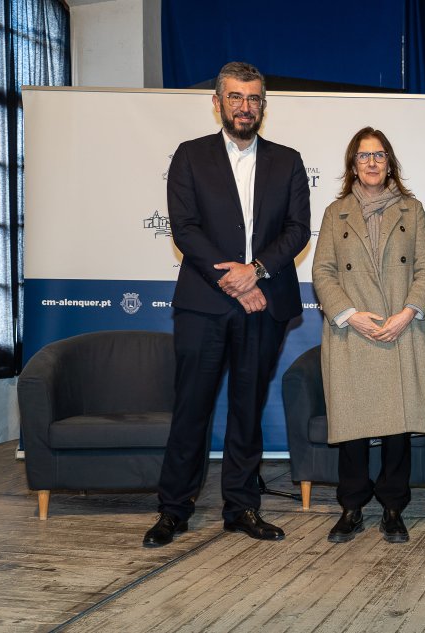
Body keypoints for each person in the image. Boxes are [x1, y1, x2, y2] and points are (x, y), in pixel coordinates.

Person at [143, 62, 311, 547]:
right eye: (235, 97)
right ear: (217, 103)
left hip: (265, 303)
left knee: (247, 408)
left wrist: (255, 270)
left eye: (253, 98)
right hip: (204, 304)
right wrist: (234, 281)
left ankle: (241, 507)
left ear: (263, 106)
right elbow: (185, 229)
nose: (244, 106)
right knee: (191, 408)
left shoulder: (288, 161)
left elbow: (297, 229)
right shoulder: (190, 156)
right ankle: (174, 509)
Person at [311, 127, 425, 544]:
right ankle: (351, 507)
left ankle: (393, 508)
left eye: (379, 155)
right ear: (353, 164)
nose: (371, 162)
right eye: (363, 156)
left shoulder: (411, 210)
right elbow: (322, 271)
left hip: (400, 328)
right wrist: (350, 315)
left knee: (398, 428)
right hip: (353, 333)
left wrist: (407, 312)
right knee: (353, 425)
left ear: (390, 163)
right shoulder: (336, 213)